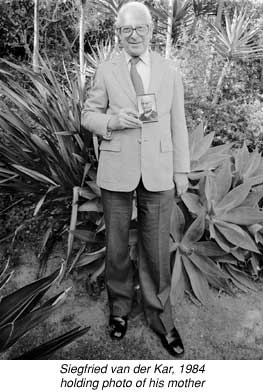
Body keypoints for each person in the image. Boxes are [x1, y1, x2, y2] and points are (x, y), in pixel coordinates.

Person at [82, 1, 190, 357]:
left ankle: (161, 319)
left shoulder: (168, 70)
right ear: (118, 33)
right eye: (126, 29)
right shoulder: (106, 69)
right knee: (116, 247)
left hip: (158, 171)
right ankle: (119, 310)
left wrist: (181, 171)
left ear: (150, 30)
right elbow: (89, 115)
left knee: (157, 250)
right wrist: (112, 122)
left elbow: (178, 124)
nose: (133, 35)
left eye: (139, 28)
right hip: (117, 170)